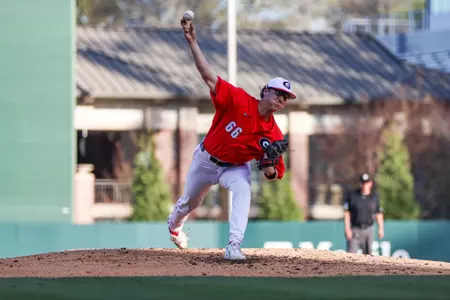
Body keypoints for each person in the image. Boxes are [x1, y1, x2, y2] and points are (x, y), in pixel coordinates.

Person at [166, 15, 296, 260]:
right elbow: (208, 76)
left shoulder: (274, 134)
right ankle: (174, 227)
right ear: (265, 90)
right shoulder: (238, 99)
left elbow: (273, 174)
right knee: (189, 204)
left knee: (244, 191)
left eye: (286, 98)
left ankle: (234, 246)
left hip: (235, 167)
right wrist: (192, 42)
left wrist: (267, 165)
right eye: (279, 93)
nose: (281, 100)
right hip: (206, 160)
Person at [343, 173, 385, 255]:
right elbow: (347, 213)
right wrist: (347, 228)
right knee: (351, 254)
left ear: (370, 183)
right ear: (360, 183)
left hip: (369, 229)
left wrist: (381, 228)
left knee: (368, 255)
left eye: (366, 183)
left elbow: (378, 213)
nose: (364, 185)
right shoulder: (353, 196)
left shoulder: (374, 197)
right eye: (363, 183)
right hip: (355, 229)